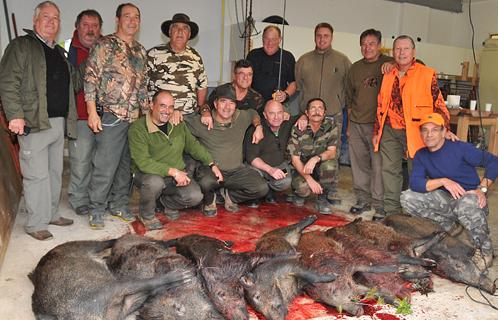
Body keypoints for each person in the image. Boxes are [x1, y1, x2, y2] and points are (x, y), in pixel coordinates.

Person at [0, 1, 76, 240]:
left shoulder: (58, 51)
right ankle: (35, 223)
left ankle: (51, 213)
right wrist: (15, 116)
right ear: (35, 21)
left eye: (56, 18)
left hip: (57, 122)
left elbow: (72, 82)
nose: (51, 22)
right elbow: (7, 82)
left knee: (54, 172)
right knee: (36, 175)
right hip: (33, 121)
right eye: (46, 16)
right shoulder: (21, 46)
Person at [400, 113, 498, 270]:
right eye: (425, 130)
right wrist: (443, 181)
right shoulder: (421, 155)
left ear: (444, 131)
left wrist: (482, 188)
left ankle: (485, 252)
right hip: (446, 199)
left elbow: (493, 161)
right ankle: (450, 228)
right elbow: (416, 183)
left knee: (466, 204)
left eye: (434, 130)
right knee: (408, 198)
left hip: (470, 199)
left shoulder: (460, 148)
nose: (429, 134)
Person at [373, 35, 456, 218]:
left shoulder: (426, 74)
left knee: (416, 171)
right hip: (389, 130)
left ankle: (416, 213)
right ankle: (392, 212)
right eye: (397, 49)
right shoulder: (388, 73)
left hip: (417, 132)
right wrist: (377, 131)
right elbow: (381, 104)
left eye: (406, 49)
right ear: (393, 52)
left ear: (413, 52)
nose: (401, 53)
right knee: (389, 171)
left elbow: (439, 104)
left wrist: (446, 130)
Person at [84, 3, 148, 229]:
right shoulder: (105, 45)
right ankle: (96, 209)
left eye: (136, 17)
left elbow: (142, 88)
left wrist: (147, 118)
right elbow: (90, 78)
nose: (132, 20)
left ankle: (119, 204)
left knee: (125, 167)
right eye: (128, 16)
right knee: (105, 165)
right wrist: (92, 112)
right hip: (111, 116)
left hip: (134, 119)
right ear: (118, 19)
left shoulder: (140, 51)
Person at [128, 90, 222, 229]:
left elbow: (193, 146)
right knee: (154, 182)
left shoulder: (177, 124)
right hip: (148, 174)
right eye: (163, 106)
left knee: (195, 196)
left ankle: (165, 203)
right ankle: (146, 214)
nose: (167, 111)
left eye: (171, 107)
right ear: (152, 106)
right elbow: (143, 162)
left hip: (175, 175)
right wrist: (173, 171)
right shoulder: (138, 128)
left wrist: (211, 163)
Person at [185, 85, 269, 216]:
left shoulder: (241, 117)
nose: (227, 107)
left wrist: (258, 126)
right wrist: (176, 113)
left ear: (236, 106)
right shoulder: (203, 122)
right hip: (211, 171)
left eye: (232, 103)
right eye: (223, 101)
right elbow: (182, 121)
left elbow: (253, 113)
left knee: (261, 188)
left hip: (236, 171)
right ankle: (209, 200)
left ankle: (228, 196)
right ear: (215, 103)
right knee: (206, 182)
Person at [295, 22, 351, 204]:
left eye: (326, 36)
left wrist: (342, 107)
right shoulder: (303, 60)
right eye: (319, 35)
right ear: (314, 37)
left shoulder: (342, 61)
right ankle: (302, 184)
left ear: (332, 37)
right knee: (303, 150)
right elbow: (299, 87)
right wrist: (303, 112)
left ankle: (331, 190)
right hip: (308, 116)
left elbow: (349, 88)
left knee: (332, 152)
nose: (322, 39)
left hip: (333, 115)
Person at [346, 29, 393, 215]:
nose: (367, 48)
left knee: (378, 165)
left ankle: (379, 204)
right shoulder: (355, 68)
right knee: (359, 164)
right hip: (357, 123)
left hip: (379, 125)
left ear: (379, 45)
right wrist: (349, 124)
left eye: (371, 44)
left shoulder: (389, 64)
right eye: (364, 44)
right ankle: (362, 199)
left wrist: (393, 64)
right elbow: (349, 98)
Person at [67, 9, 103, 217]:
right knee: (80, 160)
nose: (90, 30)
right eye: (85, 25)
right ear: (77, 27)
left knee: (101, 162)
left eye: (95, 26)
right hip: (80, 115)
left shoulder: (105, 48)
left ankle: (97, 198)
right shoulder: (66, 50)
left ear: (100, 29)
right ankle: (79, 199)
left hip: (105, 116)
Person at [147, 13, 208, 118]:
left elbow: (202, 85)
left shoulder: (195, 57)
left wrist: (200, 107)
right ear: (170, 32)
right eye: (176, 27)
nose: (180, 31)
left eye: (185, 28)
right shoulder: (154, 54)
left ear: (189, 34)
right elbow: (142, 85)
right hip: (161, 116)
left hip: (188, 116)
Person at [287, 98, 339, 214]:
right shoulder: (298, 128)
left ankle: (322, 197)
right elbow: (295, 160)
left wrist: (315, 159)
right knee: (303, 189)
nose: (317, 111)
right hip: (301, 167)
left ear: (325, 113)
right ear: (306, 113)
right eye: (313, 108)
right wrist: (309, 179)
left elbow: (332, 152)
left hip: (319, 164)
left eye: (320, 108)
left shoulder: (330, 125)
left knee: (330, 166)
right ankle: (298, 193)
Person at [244, 100, 295, 205]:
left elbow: (302, 116)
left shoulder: (287, 123)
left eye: (279, 112)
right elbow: (251, 158)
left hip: (279, 165)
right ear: (265, 115)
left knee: (286, 180)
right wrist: (270, 170)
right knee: (253, 177)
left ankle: (269, 191)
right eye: (272, 113)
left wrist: (303, 118)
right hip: (258, 167)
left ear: (283, 113)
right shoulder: (256, 130)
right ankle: (257, 194)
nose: (276, 117)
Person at [246, 25, 296, 103]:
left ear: (280, 40)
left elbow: (293, 83)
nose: (270, 43)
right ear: (262, 38)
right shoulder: (253, 55)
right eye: (267, 38)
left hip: (278, 104)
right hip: (254, 104)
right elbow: (244, 79)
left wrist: (286, 94)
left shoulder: (288, 57)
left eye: (273, 39)